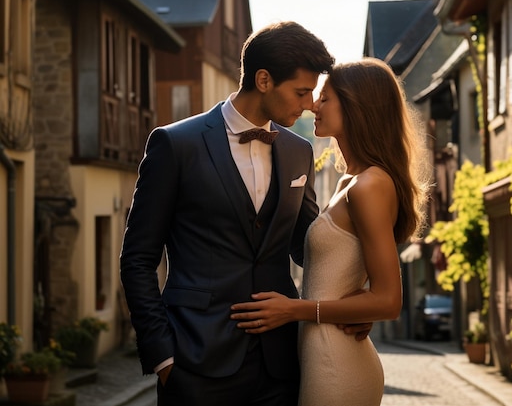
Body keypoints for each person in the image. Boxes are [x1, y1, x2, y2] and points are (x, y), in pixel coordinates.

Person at [120, 21, 370, 406]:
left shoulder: (298, 151)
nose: (308, 104)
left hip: (280, 365)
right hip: (195, 363)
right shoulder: (175, 145)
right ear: (264, 80)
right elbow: (137, 258)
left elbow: (309, 248)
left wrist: (352, 300)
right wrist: (164, 358)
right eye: (301, 92)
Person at [230, 57, 431, 406]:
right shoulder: (349, 182)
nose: (313, 105)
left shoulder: (369, 186)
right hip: (322, 356)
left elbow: (388, 300)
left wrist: (294, 310)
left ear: (357, 106)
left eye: (325, 98)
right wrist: (354, 304)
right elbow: (345, 275)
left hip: (337, 365)